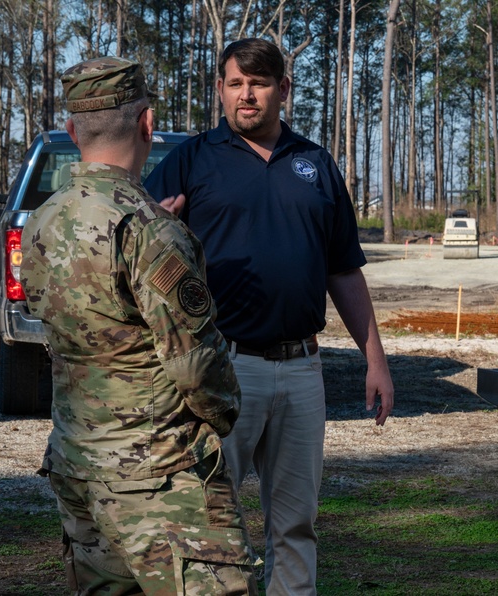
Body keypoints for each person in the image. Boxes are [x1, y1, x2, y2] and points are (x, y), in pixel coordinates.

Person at [145, 38, 395, 594]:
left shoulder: (315, 164)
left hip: (303, 368)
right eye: (234, 84)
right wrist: (158, 230)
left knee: (296, 524)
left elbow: (345, 271)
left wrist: (374, 361)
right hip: (220, 367)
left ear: (283, 89)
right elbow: (143, 253)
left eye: (258, 83)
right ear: (219, 90)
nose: (246, 95)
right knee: (207, 520)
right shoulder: (190, 160)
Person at [19, 57, 258, 594]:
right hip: (159, 475)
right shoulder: (149, 230)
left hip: (78, 464)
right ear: (147, 123)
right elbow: (196, 366)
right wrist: (223, 418)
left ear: (74, 131)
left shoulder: (42, 222)